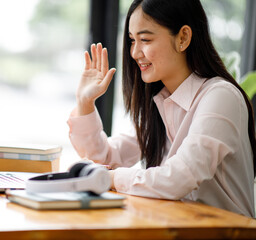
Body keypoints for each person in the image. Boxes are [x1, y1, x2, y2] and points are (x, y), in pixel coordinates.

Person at [67, 0, 256, 217]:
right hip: (176, 226)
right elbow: (104, 157)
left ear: (183, 38)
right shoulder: (161, 100)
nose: (135, 52)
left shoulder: (220, 96)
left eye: (145, 39)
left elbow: (178, 177)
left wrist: (109, 177)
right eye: (131, 40)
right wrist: (85, 103)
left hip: (227, 231)